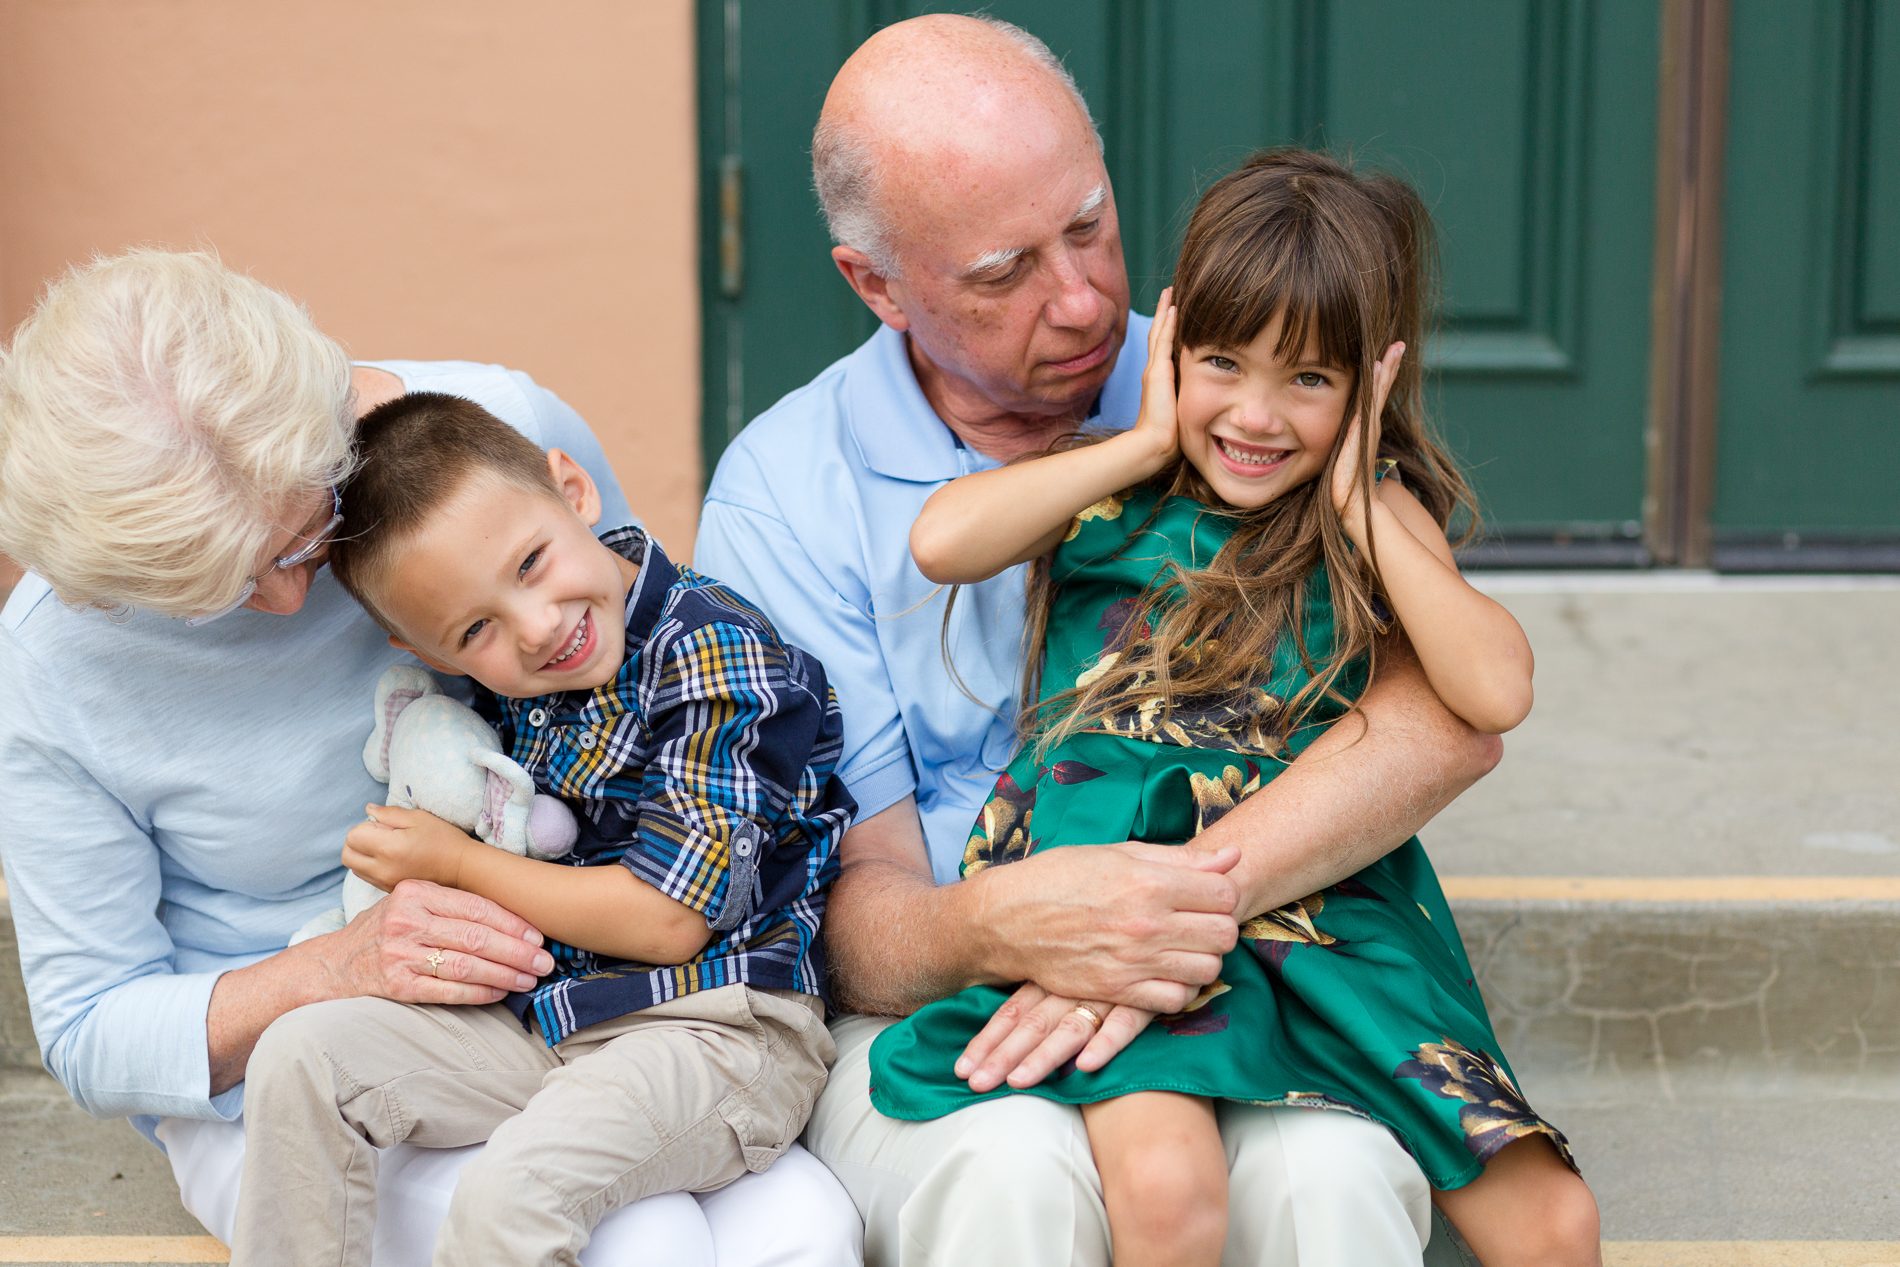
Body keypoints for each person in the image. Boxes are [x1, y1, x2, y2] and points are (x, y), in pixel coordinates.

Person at [694, 15, 1503, 1266]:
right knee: (1011, 1176)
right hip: (951, 983)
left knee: (1329, 1179)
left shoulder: (1254, 390)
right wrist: (1022, 929)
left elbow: (1446, 725)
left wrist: (1154, 917)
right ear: (878, 285)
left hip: (1261, 955)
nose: (1080, 300)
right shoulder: (785, 497)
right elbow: (850, 908)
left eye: (1088, 226)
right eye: (1002, 272)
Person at [0, 249, 862, 1265]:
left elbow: (645, 698)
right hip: (320, 1041)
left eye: (297, 542)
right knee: (642, 1241)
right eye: (212, 594)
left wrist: (477, 876)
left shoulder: (492, 435)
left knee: (803, 1226)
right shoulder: (53, 656)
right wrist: (335, 966)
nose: (283, 603)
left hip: (599, 997)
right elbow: (91, 1029)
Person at [869, 150, 1601, 1267]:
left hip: (1318, 907)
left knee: (1554, 1215)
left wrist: (1360, 491)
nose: (1255, 416)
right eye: (1222, 362)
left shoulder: (1368, 509)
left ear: (1369, 380)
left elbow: (1495, 689)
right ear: (1168, 344)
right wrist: (1147, 436)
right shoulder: (1110, 484)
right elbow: (941, 541)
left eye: (1309, 378)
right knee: (1168, 1193)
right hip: (1121, 886)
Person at [209, 392, 855, 1266]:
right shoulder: (510, 690)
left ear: (574, 491)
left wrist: (455, 863)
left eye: (532, 563)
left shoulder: (714, 654)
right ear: (433, 656)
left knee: (513, 1192)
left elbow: (668, 919)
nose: (539, 626)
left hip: (718, 1032)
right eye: (477, 628)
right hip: (549, 1024)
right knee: (299, 1054)